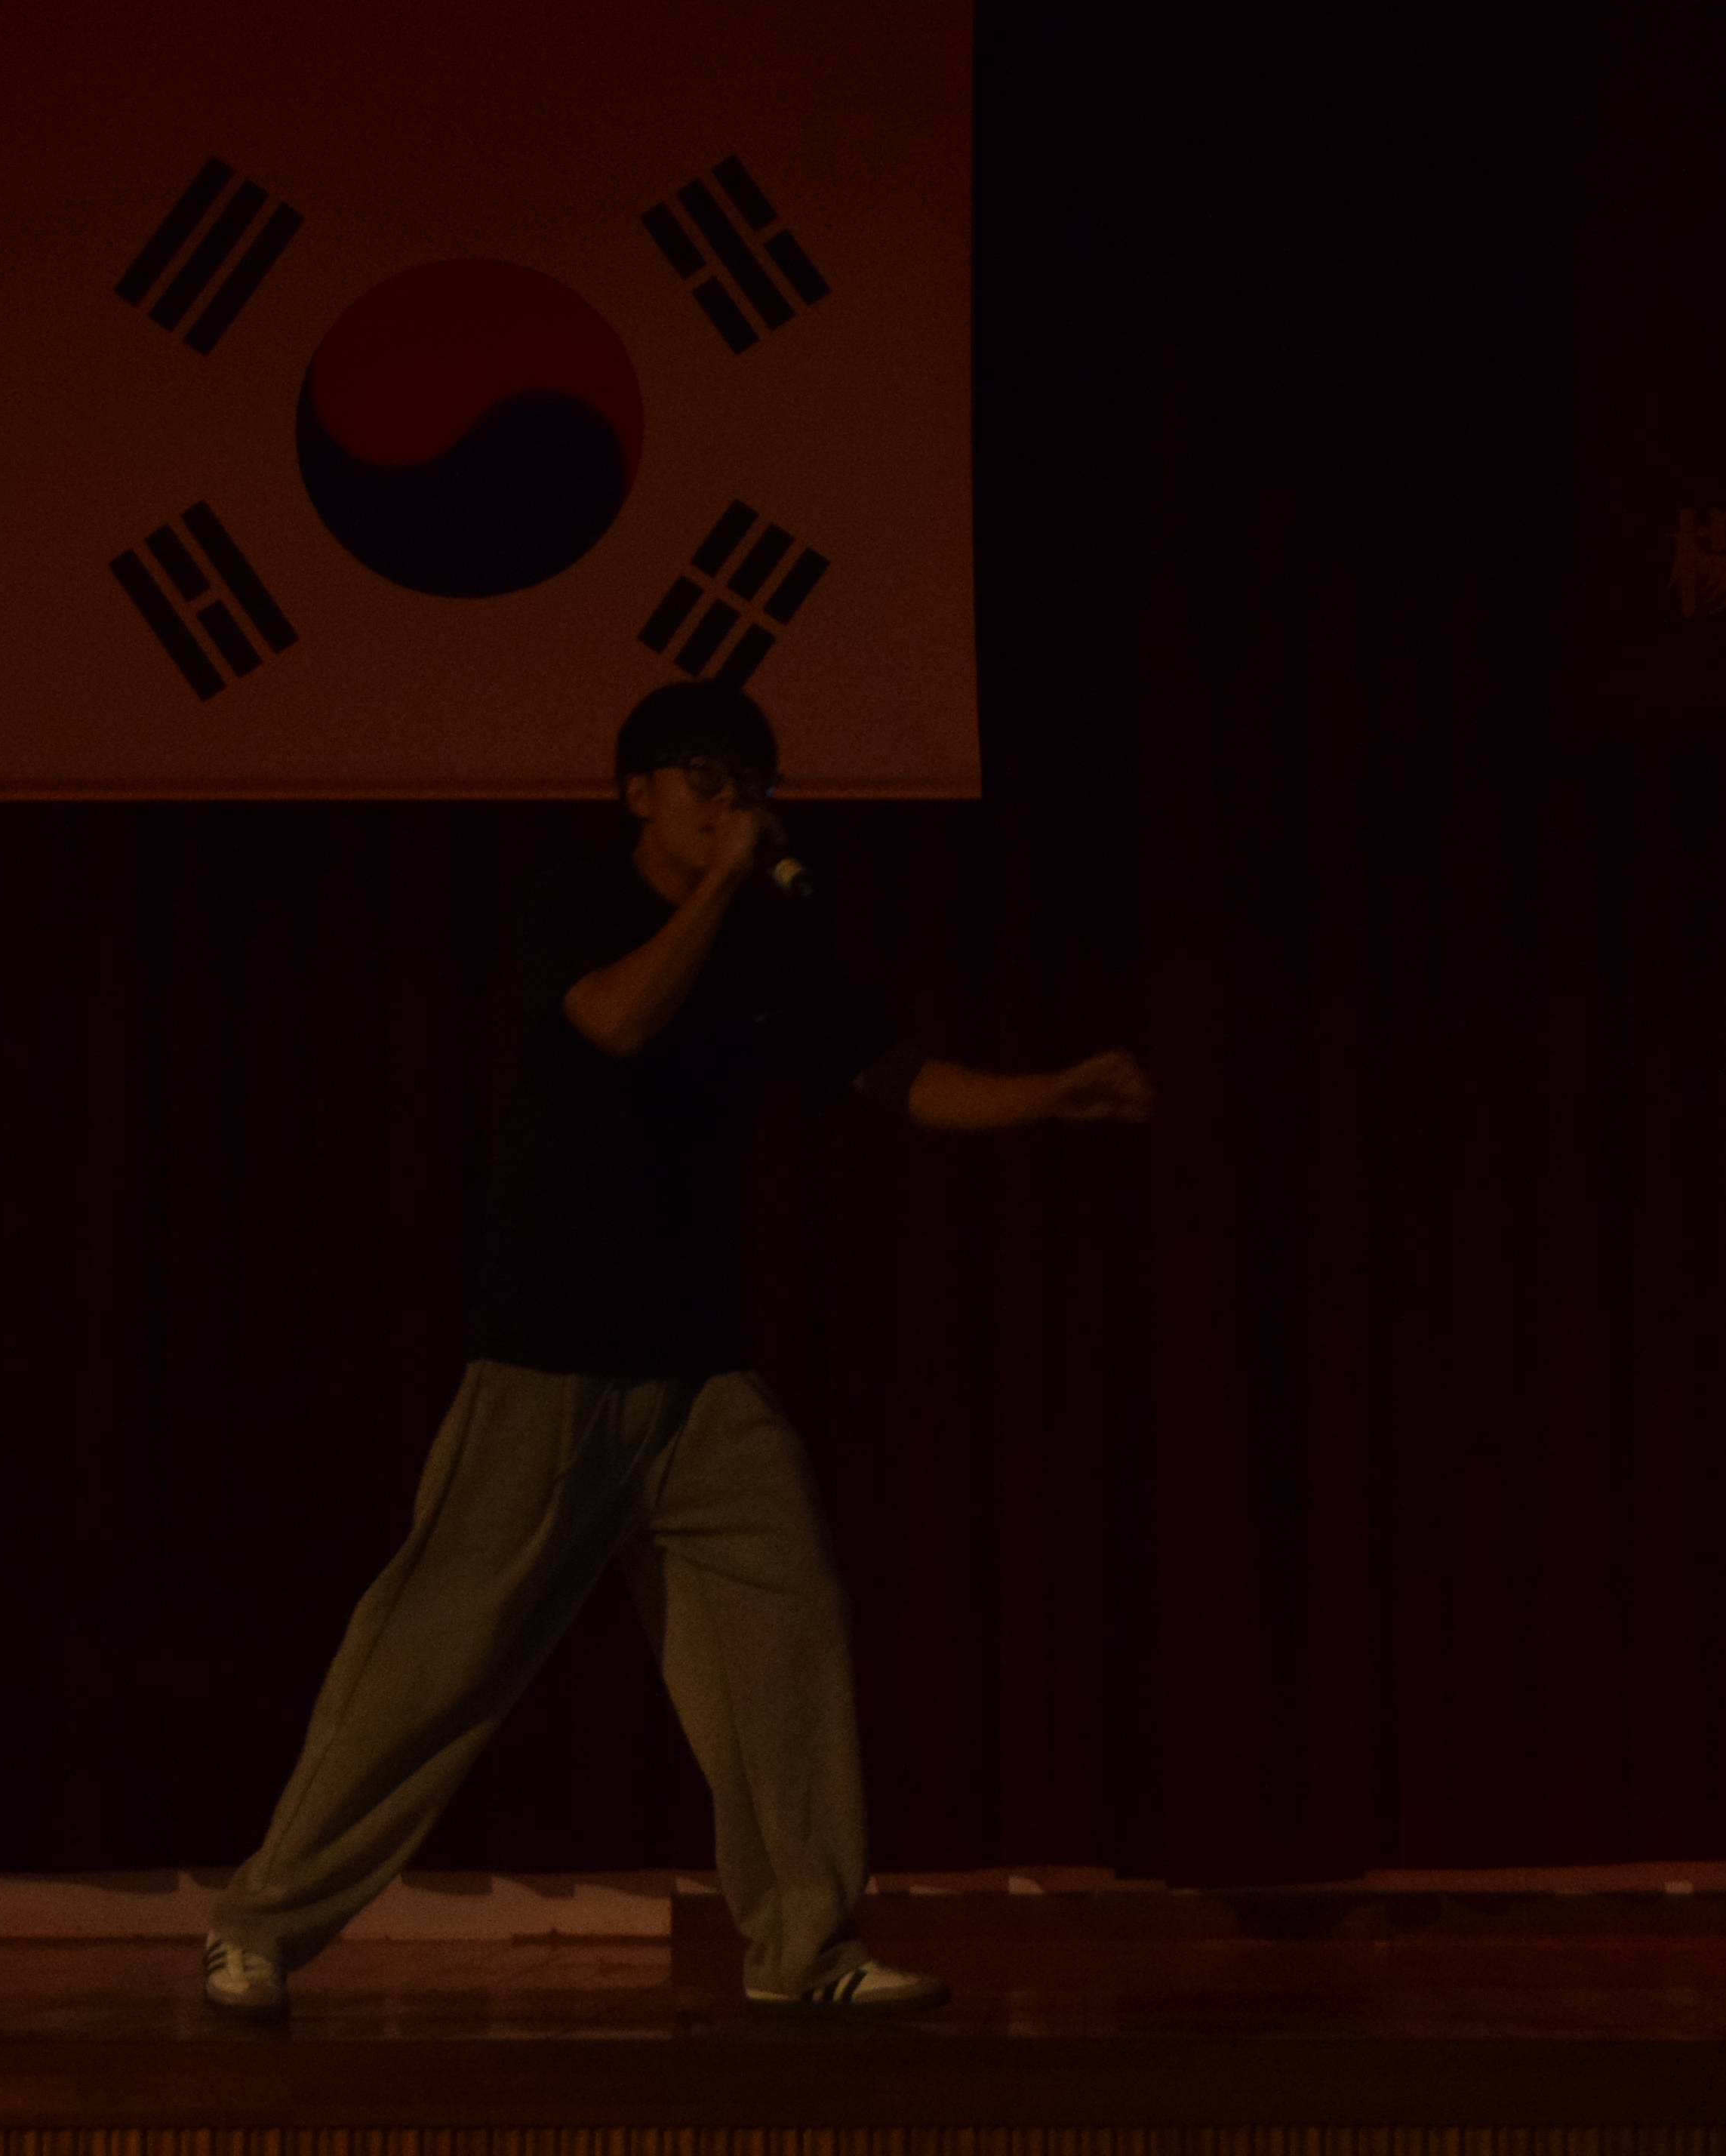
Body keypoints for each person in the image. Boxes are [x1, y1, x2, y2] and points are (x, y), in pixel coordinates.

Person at [201, 679, 1155, 2020]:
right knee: (435, 1659)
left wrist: (1049, 1094)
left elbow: (900, 1079)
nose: (729, 800)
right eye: (702, 776)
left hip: (699, 1377)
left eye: (749, 779)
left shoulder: (766, 953)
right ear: (636, 792)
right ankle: (257, 1926)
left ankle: (805, 1948)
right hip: (549, 1361)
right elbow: (617, 1019)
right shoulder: (578, 909)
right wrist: (718, 888)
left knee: (788, 1627)